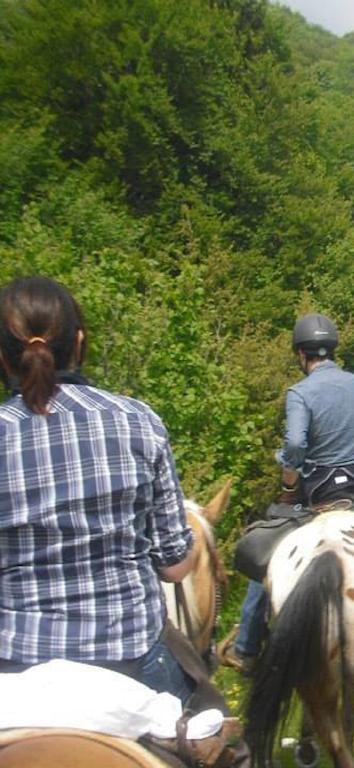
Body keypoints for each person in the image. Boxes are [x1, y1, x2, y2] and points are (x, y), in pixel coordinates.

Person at [0, 276, 197, 703]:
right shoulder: (137, 420)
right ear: (81, 343)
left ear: (3, 356)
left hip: (14, 666)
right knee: (211, 730)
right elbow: (176, 567)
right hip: (130, 660)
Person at [224, 312, 354, 680]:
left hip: (316, 497)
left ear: (301, 355)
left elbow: (294, 445)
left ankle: (246, 647)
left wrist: (290, 484)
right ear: (332, 350)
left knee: (266, 561)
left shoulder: (300, 393)